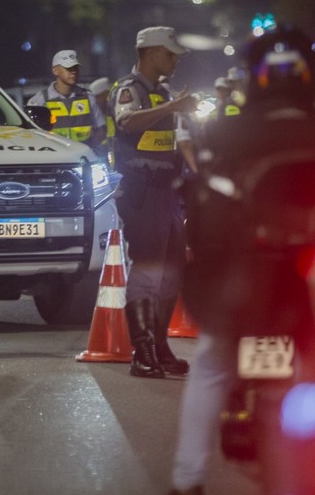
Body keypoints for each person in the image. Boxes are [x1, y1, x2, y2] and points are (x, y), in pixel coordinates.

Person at [168, 25, 315, 495]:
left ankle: (186, 478)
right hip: (306, 283)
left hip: (245, 280)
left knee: (213, 362)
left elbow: (204, 203)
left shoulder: (225, 130)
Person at [110, 26, 199, 379]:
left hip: (167, 194)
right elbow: (126, 123)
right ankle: (141, 351)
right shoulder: (128, 90)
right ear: (149, 53)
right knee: (147, 270)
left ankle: (159, 346)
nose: (175, 59)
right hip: (141, 193)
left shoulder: (164, 92)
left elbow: (180, 139)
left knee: (172, 272)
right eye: (169, 53)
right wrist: (175, 106)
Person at [27, 50, 106, 154]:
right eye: (68, 68)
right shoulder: (40, 101)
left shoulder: (87, 97)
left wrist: (89, 149)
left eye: (75, 68)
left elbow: (101, 129)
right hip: (54, 159)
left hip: (83, 159)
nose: (73, 71)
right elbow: (31, 134)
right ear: (55, 70)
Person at [88, 76, 115, 166]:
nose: (95, 101)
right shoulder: (96, 115)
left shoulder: (116, 112)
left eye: (98, 97)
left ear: (107, 94)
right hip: (102, 157)